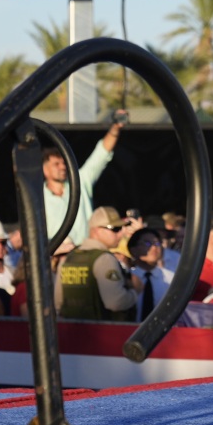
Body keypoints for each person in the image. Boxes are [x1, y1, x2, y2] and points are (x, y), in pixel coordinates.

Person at [43, 112, 126, 247]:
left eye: (64, 163)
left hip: (84, 250)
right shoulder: (37, 196)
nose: (63, 167)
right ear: (44, 169)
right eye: (56, 164)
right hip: (55, 254)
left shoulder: (80, 181)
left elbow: (101, 154)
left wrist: (116, 128)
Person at [56, 207, 138, 321]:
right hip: (101, 331)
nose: (120, 234)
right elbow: (116, 302)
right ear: (97, 230)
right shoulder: (104, 259)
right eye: (115, 229)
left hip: (70, 332)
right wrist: (135, 292)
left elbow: (58, 303)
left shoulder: (69, 257)